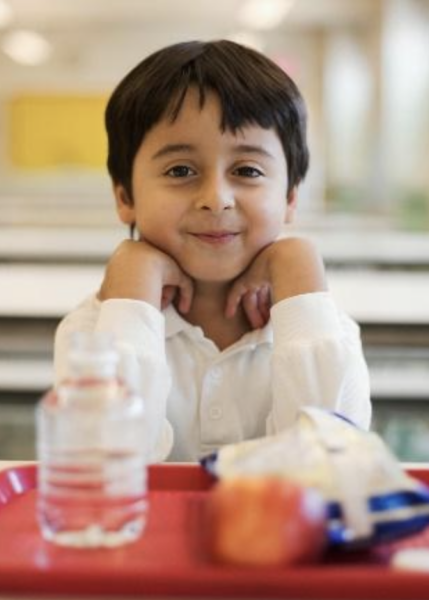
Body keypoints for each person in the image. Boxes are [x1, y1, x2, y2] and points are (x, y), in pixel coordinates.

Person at [54, 40, 370, 462]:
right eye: (180, 170)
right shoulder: (94, 330)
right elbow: (104, 469)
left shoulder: (320, 327)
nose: (216, 198)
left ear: (291, 197)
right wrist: (132, 291)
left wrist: (300, 268)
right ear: (125, 195)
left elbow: (332, 461)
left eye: (247, 170)